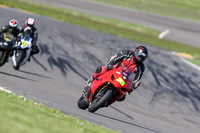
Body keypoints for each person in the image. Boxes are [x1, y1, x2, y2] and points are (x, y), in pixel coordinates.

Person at [84, 45, 148, 101]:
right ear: (136, 52)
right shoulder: (127, 53)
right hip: (114, 70)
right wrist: (109, 65)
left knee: (123, 96)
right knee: (102, 69)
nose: (140, 58)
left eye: (142, 58)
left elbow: (137, 79)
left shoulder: (141, 67)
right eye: (140, 56)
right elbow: (115, 58)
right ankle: (90, 82)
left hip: (124, 79)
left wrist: (132, 87)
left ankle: (107, 100)